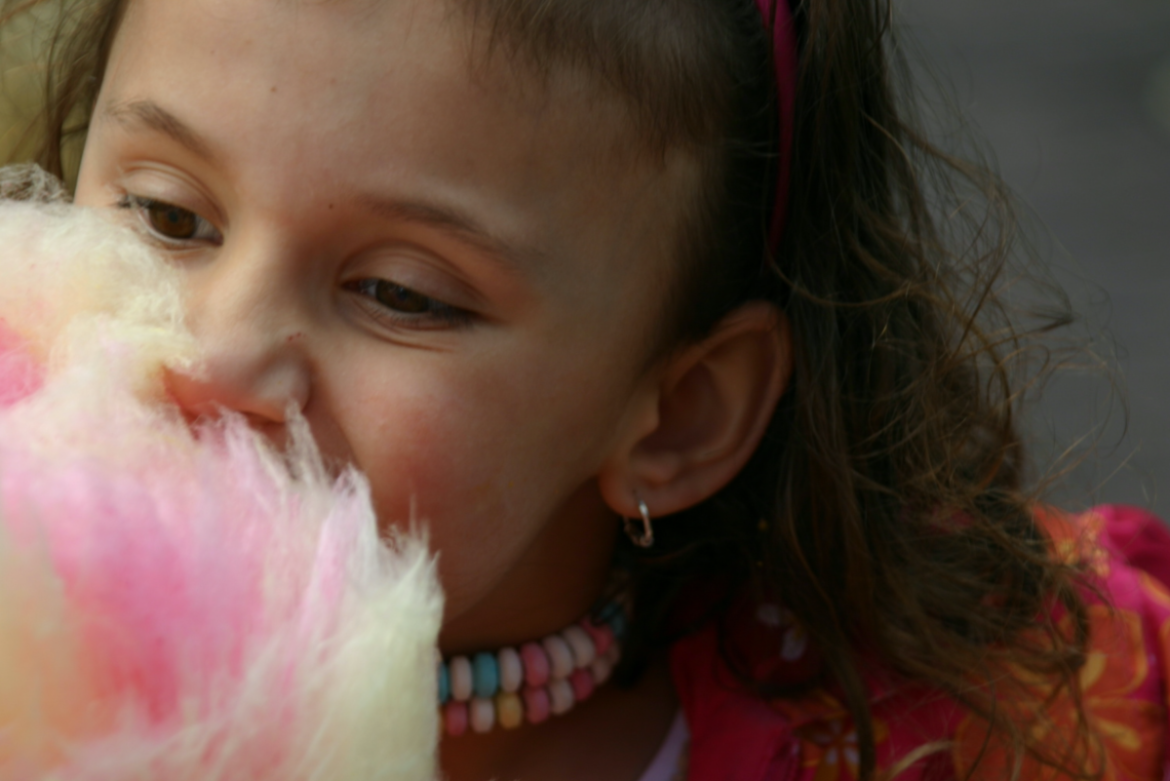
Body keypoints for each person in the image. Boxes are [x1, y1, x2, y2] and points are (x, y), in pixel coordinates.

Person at [3, 0, 1170, 778]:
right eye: (167, 215)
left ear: (681, 416)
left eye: (403, 293)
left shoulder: (1007, 731)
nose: (213, 359)